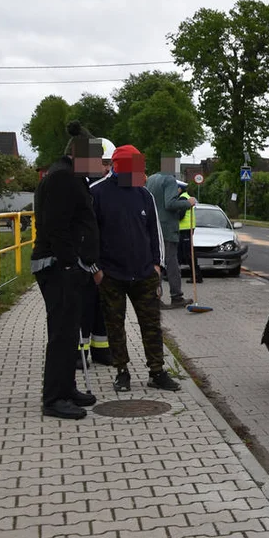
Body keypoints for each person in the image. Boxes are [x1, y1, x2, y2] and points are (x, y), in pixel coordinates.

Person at [90, 145, 180, 393]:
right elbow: (90, 234)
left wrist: (157, 265)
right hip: (111, 274)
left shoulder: (144, 195)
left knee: (151, 324)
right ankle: (122, 372)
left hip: (144, 273)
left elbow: (155, 232)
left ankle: (157, 371)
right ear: (117, 166)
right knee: (115, 325)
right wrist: (96, 269)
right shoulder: (97, 193)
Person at [31, 120, 104, 419]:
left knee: (69, 331)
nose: (99, 164)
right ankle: (54, 399)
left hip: (66, 267)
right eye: (96, 158)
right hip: (58, 267)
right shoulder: (63, 178)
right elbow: (56, 227)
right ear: (78, 155)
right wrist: (70, 264)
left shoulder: (70, 176)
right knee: (62, 334)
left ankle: (67, 388)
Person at [77, 137, 117, 368]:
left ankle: (101, 351)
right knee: (83, 309)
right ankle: (79, 353)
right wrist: (92, 264)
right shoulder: (85, 190)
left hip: (103, 262)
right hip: (84, 263)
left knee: (102, 310)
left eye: (108, 164)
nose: (106, 169)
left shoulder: (103, 190)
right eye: (102, 163)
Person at [146, 155, 195, 309]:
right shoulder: (169, 180)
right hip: (167, 229)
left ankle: (154, 296)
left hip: (152, 225)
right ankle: (176, 296)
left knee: (156, 262)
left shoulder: (152, 179)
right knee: (171, 262)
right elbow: (170, 203)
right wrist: (188, 202)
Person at [176, 180, 202, 283]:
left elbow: (180, 216)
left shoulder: (183, 198)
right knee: (180, 253)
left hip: (185, 229)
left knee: (189, 254)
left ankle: (197, 276)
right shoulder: (185, 197)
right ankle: (174, 275)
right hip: (186, 229)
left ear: (179, 189)